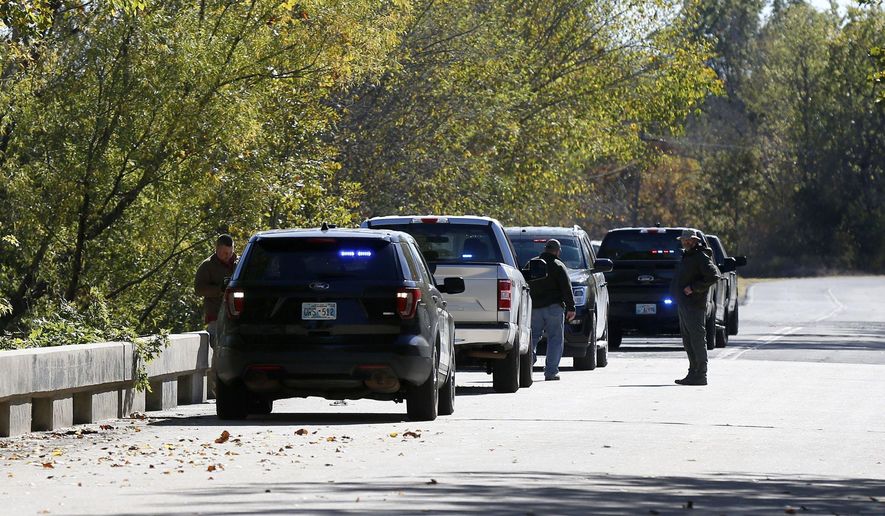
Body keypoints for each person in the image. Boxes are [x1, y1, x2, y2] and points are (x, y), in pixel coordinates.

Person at [670, 229, 720, 386]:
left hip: (694, 305)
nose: (686, 243)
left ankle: (701, 374)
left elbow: (713, 276)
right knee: (688, 340)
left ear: (695, 240)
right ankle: (693, 372)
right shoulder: (688, 256)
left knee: (697, 340)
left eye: (689, 240)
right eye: (684, 240)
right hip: (684, 304)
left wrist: (694, 288)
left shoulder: (700, 256)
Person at [528, 239, 576, 381]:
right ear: (558, 251)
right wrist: (571, 307)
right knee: (555, 339)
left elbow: (524, 283)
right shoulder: (558, 265)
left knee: (532, 338)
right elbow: (566, 288)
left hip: (535, 308)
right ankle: (551, 372)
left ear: (545, 249)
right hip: (554, 308)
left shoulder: (532, 264)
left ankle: (529, 359)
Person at [195, 234, 237, 347]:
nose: (228, 256)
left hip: (236, 316)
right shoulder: (207, 266)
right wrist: (219, 290)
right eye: (225, 253)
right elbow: (199, 289)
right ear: (217, 249)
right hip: (215, 316)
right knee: (217, 347)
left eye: (230, 252)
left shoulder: (239, 264)